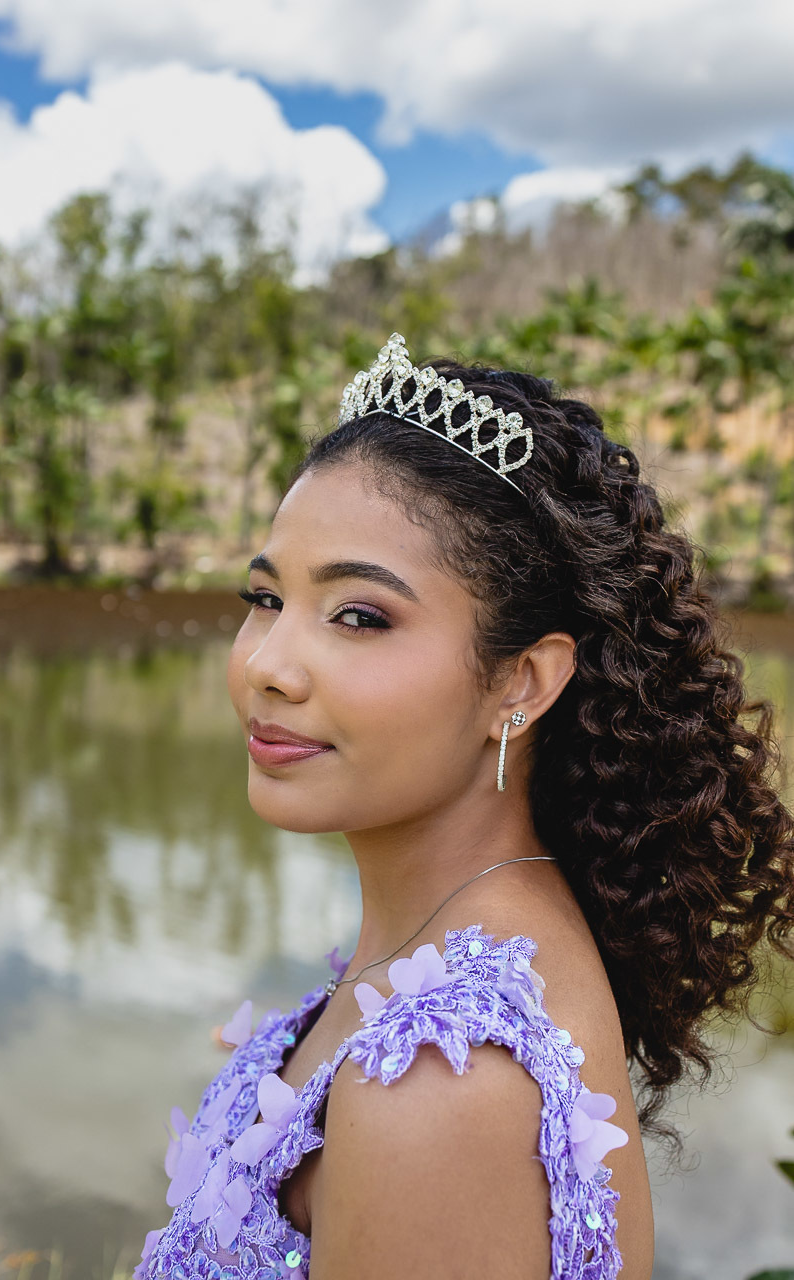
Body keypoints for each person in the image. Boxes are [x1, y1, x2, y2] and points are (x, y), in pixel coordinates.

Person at [136, 333, 794, 1280]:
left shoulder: (441, 1083)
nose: (268, 667)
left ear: (520, 682)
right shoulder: (478, 934)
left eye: (359, 616)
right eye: (267, 597)